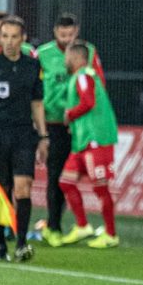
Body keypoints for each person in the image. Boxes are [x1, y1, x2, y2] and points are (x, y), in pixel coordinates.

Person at [0, 15, 48, 262]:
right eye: (5, 36)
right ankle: (1, 243)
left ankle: (21, 243)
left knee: (23, 187)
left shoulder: (32, 66)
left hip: (24, 134)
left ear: (23, 38)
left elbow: (37, 103)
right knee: (1, 190)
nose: (9, 42)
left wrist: (43, 136)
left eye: (14, 37)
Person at [37, 13, 107, 247]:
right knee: (56, 176)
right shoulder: (43, 54)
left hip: (80, 126)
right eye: (62, 34)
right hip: (55, 124)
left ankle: (97, 228)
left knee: (78, 178)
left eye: (70, 34)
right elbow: (35, 88)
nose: (66, 39)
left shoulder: (88, 52)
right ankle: (54, 226)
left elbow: (99, 85)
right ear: (55, 32)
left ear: (76, 31)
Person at [56, 43, 121, 249]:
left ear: (76, 58)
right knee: (66, 182)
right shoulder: (80, 76)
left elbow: (88, 102)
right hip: (82, 141)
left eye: (67, 57)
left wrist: (69, 115)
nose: (65, 61)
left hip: (96, 139)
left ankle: (110, 234)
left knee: (101, 187)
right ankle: (82, 225)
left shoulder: (84, 75)